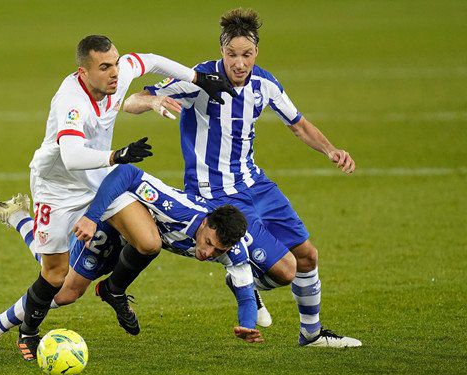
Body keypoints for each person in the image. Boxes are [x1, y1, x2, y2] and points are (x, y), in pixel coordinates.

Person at [0, 34, 237, 360]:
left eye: (115, 62)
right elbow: (70, 156)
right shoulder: (71, 101)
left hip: (99, 178)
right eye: (105, 67)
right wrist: (116, 155)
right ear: (84, 73)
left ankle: (113, 290)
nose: (115, 72)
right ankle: (11, 324)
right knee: (55, 273)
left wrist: (199, 79)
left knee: (147, 242)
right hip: (57, 187)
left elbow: (151, 60)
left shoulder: (119, 73)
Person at [122, 8, 361, 348]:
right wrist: (154, 102)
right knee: (286, 270)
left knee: (308, 255)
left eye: (246, 55)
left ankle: (311, 335)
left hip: (256, 184)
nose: (239, 63)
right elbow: (132, 101)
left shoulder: (265, 84)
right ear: (222, 51)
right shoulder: (199, 80)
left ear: (256, 53)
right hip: (218, 194)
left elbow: (299, 125)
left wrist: (331, 150)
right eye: (232, 54)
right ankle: (241, 281)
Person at [0, 164, 268, 360]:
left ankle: (18, 216)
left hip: (131, 244)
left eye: (217, 252)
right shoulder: (177, 209)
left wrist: (244, 326)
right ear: (206, 223)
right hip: (111, 221)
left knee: (57, 269)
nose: (208, 254)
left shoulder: (232, 249)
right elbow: (126, 173)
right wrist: (93, 215)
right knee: (63, 287)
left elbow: (244, 295)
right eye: (208, 244)